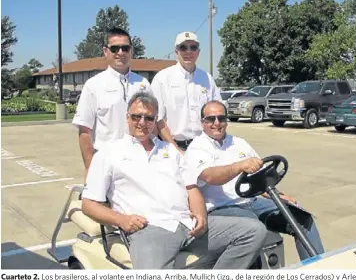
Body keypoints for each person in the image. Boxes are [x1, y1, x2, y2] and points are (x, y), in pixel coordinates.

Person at [81, 92, 268, 269]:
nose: (142, 122)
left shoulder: (171, 151)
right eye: (136, 117)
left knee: (254, 232)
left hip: (188, 225)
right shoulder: (108, 153)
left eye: (149, 118)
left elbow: (191, 187)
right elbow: (89, 204)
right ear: (127, 117)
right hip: (151, 229)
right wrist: (121, 219)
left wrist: (200, 214)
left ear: (156, 121)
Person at [183, 100, 325, 261]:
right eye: (210, 119)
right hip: (221, 208)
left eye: (221, 118)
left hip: (250, 202)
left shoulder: (239, 143)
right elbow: (210, 176)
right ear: (202, 122)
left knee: (301, 217)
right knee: (254, 229)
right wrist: (238, 166)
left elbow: (260, 176)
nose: (217, 123)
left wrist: (277, 195)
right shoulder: (197, 148)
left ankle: (316, 267)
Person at [72, 27, 152, 177]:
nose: (120, 53)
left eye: (125, 48)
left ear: (131, 51)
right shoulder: (93, 85)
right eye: (115, 48)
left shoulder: (143, 83)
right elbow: (84, 132)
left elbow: (151, 125)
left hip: (139, 161)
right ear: (105, 51)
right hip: (106, 163)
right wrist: (90, 169)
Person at [151, 31, 222, 152]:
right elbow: (158, 120)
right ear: (176, 52)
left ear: (198, 52)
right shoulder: (162, 78)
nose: (188, 51)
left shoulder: (207, 79)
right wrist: (176, 150)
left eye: (193, 47)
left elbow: (218, 115)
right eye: (183, 47)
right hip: (172, 147)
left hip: (205, 147)